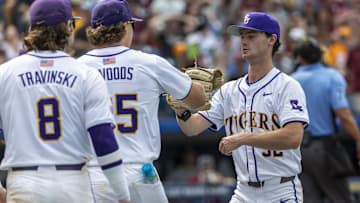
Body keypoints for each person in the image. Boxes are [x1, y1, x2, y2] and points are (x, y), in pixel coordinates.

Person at [170, 12, 309, 202]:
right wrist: (181, 110)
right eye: (242, 36)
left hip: (280, 189)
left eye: (251, 36)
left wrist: (242, 138)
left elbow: (293, 137)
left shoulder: (286, 86)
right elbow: (192, 128)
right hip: (244, 191)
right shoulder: (229, 90)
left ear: (272, 39)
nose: (244, 41)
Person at [0, 0, 130, 202]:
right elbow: (103, 139)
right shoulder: (86, 74)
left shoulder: (5, 73)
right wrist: (122, 195)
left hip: (24, 181)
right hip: (73, 183)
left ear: (32, 29)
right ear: (69, 27)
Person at [77, 0, 206, 203]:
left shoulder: (77, 67)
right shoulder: (149, 62)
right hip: (139, 171)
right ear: (125, 26)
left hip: (92, 174)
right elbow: (198, 100)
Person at [292, 38, 360, 203]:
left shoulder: (290, 80)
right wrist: (358, 139)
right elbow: (343, 114)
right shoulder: (331, 76)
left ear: (300, 58)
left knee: (309, 199)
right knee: (341, 198)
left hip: (297, 150)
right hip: (323, 147)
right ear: (321, 56)